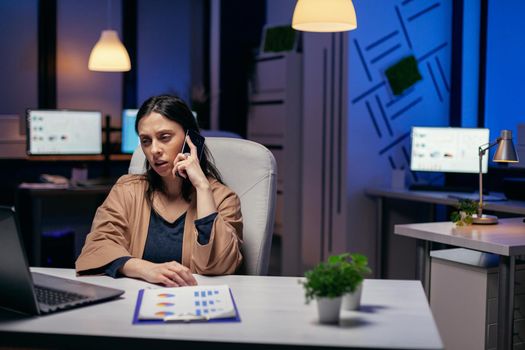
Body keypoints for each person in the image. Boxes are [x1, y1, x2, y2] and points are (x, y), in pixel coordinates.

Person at [75, 95, 243, 286]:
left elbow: (219, 265)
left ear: (191, 140)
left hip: (197, 304)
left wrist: (203, 187)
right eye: (146, 141)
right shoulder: (127, 190)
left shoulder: (224, 199)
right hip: (132, 303)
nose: (154, 150)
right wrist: (145, 269)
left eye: (164, 137)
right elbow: (97, 248)